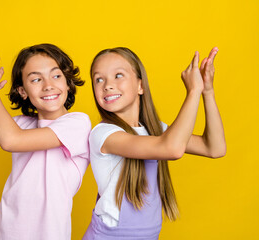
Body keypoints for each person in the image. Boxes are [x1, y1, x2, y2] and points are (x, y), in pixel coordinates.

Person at [0, 44, 91, 240]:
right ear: (22, 91)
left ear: (68, 83)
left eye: (56, 76)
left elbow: (11, 141)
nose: (48, 85)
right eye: (36, 79)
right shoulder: (20, 124)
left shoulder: (77, 123)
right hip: (2, 233)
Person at [83, 47, 226, 240]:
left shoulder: (156, 131)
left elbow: (214, 148)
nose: (107, 85)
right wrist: (193, 91)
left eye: (118, 75)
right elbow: (172, 149)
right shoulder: (104, 134)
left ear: (140, 85)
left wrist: (207, 91)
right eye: (99, 79)